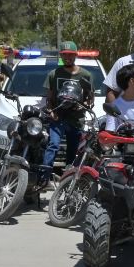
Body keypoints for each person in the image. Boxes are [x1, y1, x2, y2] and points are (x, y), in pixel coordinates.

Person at [40, 46, 96, 186]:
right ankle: (43, 178)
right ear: (61, 56)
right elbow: (49, 98)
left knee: (72, 151)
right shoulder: (54, 74)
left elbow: (90, 98)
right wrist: (51, 111)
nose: (67, 58)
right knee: (53, 145)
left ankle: (67, 182)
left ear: (75, 55)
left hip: (76, 119)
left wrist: (83, 104)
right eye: (64, 55)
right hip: (58, 117)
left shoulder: (86, 75)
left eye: (70, 55)